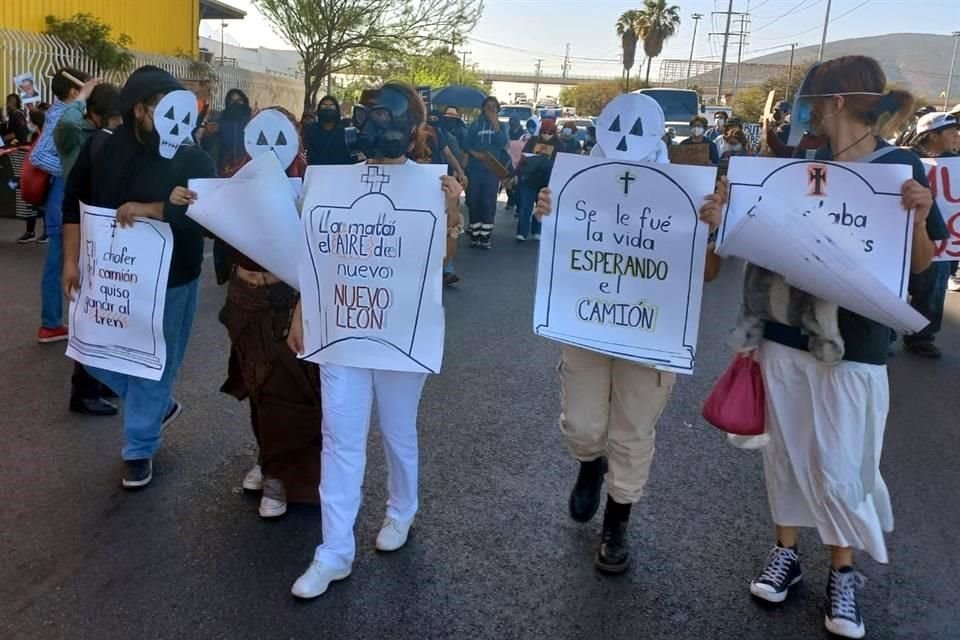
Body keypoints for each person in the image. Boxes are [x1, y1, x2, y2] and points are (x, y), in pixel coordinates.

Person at [731, 56, 946, 640]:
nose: (804, 113)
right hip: (783, 334)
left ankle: (843, 573)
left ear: (831, 103)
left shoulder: (900, 168)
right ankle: (786, 553)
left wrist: (921, 217)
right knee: (789, 450)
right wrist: (724, 212)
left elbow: (922, 266)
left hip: (858, 343)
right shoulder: (800, 167)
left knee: (845, 458)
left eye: (809, 102)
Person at [286, 82, 464, 600]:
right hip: (340, 327)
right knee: (340, 435)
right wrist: (302, 310)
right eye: (368, 114)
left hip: (399, 330)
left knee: (396, 429)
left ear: (412, 127)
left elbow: (441, 260)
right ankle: (334, 551)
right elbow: (317, 253)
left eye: (387, 116)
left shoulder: (431, 185)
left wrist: (451, 212)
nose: (374, 124)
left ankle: (401, 510)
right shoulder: (335, 183)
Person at [531, 162, 727, 577]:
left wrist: (710, 233)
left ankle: (617, 520)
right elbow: (564, 250)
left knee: (632, 430)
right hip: (589, 323)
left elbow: (708, 274)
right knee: (583, 425)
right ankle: (590, 464)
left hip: (652, 332)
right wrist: (551, 215)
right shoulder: (586, 180)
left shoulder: (682, 191)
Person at [61, 65, 216, 489]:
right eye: (162, 108)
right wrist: (70, 262)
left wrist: (154, 208)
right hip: (110, 276)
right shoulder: (102, 149)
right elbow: (75, 202)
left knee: (153, 367)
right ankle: (157, 406)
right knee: (92, 353)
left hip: (173, 280)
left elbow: (207, 216)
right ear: (140, 109)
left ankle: (138, 448)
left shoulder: (193, 157)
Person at [217, 106, 323, 518]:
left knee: (289, 393)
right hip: (245, 299)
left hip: (289, 300)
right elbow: (213, 224)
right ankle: (268, 461)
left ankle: (282, 477)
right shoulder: (234, 176)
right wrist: (183, 200)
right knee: (258, 390)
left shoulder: (313, 181)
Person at [53, 81, 123, 417]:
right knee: (95, 315)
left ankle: (100, 381)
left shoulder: (98, 142)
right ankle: (85, 390)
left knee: (104, 314)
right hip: (97, 242)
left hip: (100, 242)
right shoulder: (95, 143)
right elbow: (76, 201)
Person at [29, 67, 94, 344]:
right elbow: (40, 157)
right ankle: (51, 323)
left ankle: (55, 322)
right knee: (59, 258)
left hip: (63, 192)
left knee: (65, 257)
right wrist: (72, 171)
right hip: (61, 193)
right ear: (73, 92)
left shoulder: (61, 112)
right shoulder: (61, 115)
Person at [902, 111, 958, 358]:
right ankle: (886, 332)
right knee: (898, 286)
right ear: (932, 135)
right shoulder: (905, 161)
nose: (957, 135)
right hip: (907, 237)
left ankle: (921, 336)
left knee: (934, 288)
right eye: (951, 131)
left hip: (944, 242)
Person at [463, 96, 508, 249]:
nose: (491, 109)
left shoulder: (502, 126)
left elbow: (503, 143)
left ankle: (485, 237)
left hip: (492, 170)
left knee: (488, 203)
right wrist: (475, 154)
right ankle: (475, 235)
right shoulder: (475, 125)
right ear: (483, 108)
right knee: (474, 201)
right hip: (475, 169)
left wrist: (495, 124)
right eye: (488, 106)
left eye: (494, 107)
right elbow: (466, 144)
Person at [515, 118, 561, 242]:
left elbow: (563, 164)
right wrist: (517, 173)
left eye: (550, 132)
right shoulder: (533, 140)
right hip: (529, 179)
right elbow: (523, 157)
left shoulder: (559, 144)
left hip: (546, 181)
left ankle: (537, 230)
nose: (546, 135)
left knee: (541, 207)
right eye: (544, 132)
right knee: (525, 207)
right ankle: (522, 233)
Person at [200, 89, 251, 177]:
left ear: (244, 102)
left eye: (239, 100)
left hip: (247, 168)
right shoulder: (220, 121)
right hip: (225, 170)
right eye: (232, 101)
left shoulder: (251, 121)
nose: (235, 104)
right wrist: (208, 134)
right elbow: (206, 147)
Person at [303, 95, 353, 166]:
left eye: (331, 106)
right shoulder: (311, 130)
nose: (328, 108)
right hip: (317, 172)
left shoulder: (345, 130)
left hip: (341, 172)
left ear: (337, 110)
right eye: (324, 105)